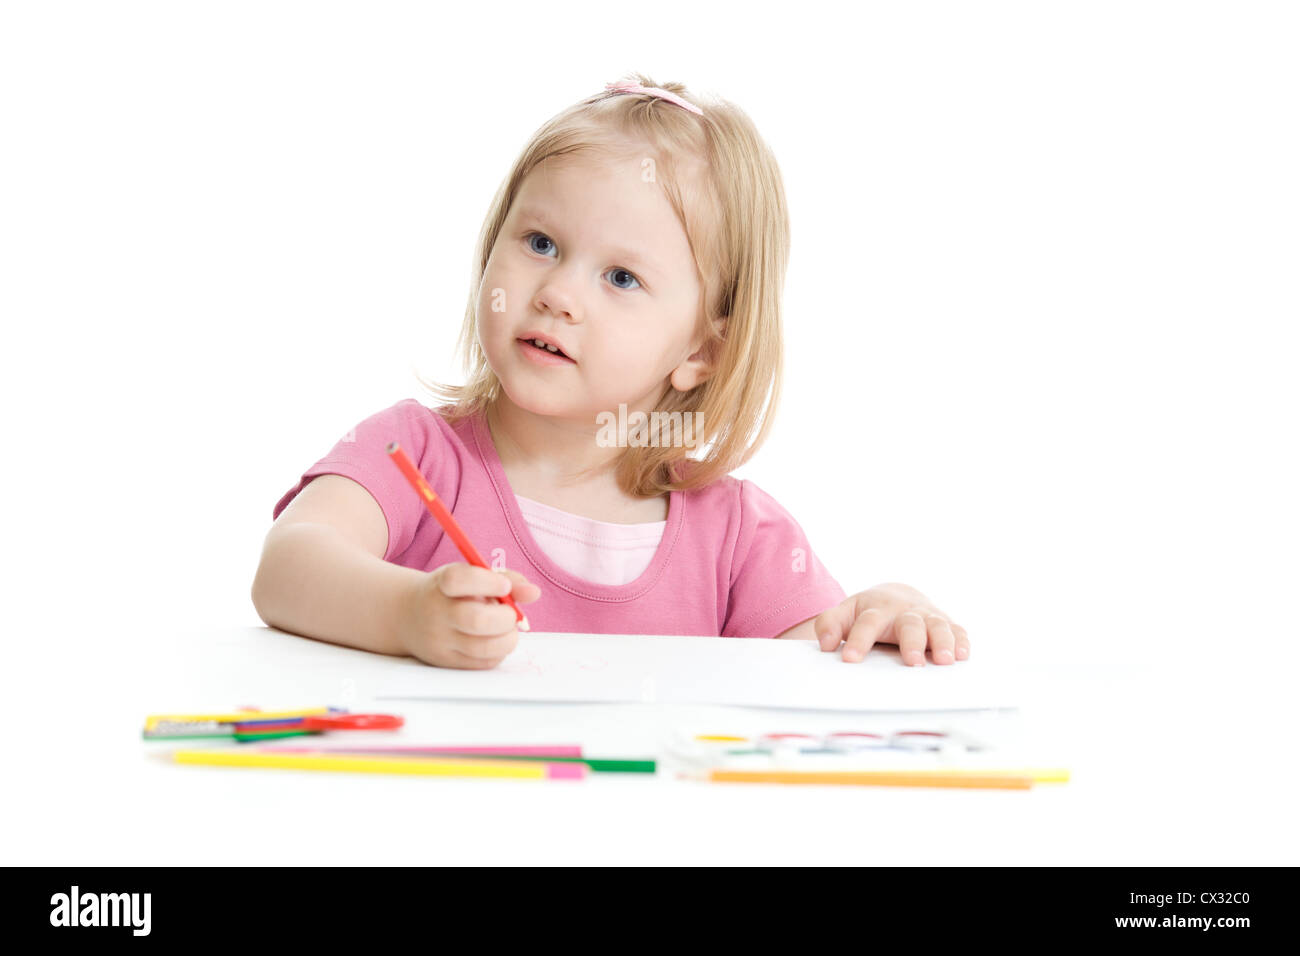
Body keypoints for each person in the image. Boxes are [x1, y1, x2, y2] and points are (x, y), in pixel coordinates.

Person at [252, 74, 971, 671]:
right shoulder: (412, 455)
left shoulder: (739, 538)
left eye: (621, 278)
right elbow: (287, 568)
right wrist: (406, 615)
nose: (557, 294)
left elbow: (812, 674)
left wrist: (883, 612)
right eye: (540, 242)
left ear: (702, 354)